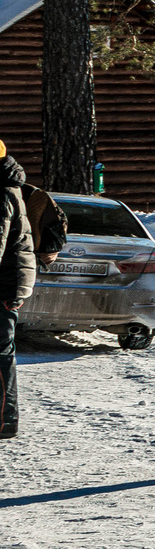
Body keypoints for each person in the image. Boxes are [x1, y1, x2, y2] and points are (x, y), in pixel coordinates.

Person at [0, 143, 38, 439]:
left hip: (4, 285)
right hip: (9, 281)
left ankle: (5, 421)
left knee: (1, 356)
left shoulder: (2, 193)